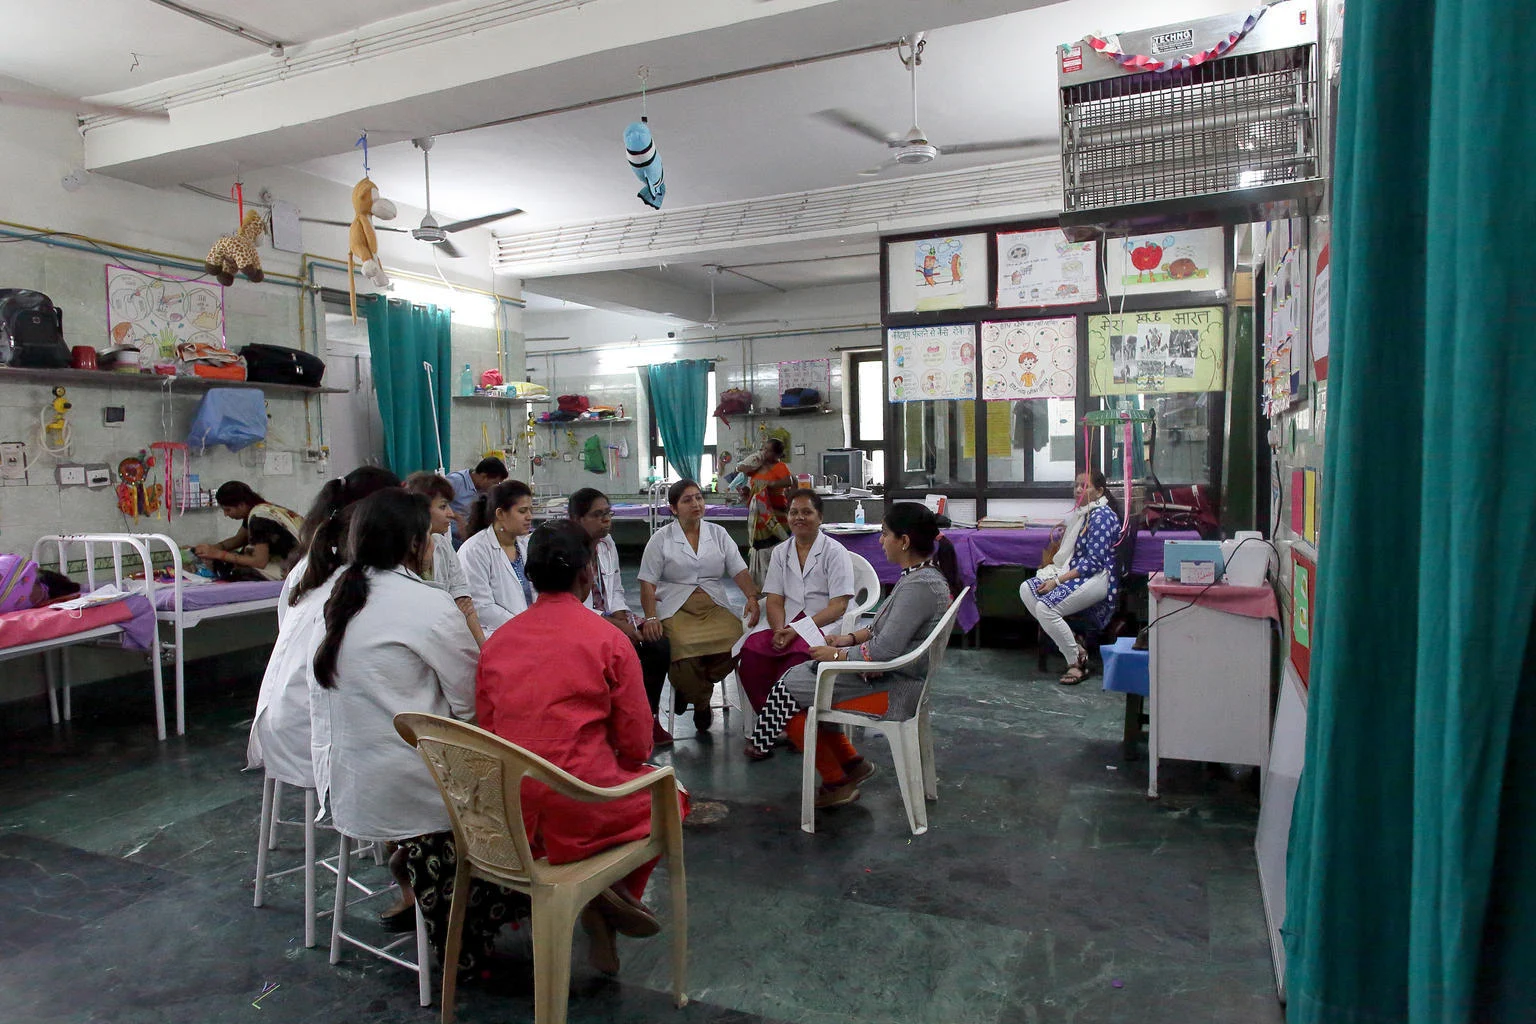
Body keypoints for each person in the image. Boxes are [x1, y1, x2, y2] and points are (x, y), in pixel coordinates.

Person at [306, 488, 524, 975]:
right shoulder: (427, 606)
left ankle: (417, 877)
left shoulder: (336, 597)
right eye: (429, 536)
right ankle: (477, 916)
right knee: (521, 783)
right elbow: (472, 704)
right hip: (414, 799)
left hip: (351, 789)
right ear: (414, 543)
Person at [477, 520, 685, 975]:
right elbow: (636, 745)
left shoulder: (497, 644)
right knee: (672, 796)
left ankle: (605, 901)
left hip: (511, 814)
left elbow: (489, 733)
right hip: (581, 804)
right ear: (589, 574)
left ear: (529, 575)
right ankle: (610, 896)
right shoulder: (609, 640)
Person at [246, 466, 406, 925]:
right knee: (422, 759)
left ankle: (394, 852)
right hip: (318, 739)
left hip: (277, 724)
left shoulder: (305, 567)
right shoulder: (366, 582)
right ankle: (415, 883)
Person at [744, 502, 956, 809]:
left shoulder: (919, 587)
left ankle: (836, 782)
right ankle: (850, 761)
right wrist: (847, 638)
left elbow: (883, 650)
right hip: (897, 677)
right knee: (797, 682)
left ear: (905, 541)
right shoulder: (918, 577)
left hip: (895, 690)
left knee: (791, 688)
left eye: (885, 534)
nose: (881, 541)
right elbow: (881, 627)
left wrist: (836, 655)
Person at [638, 479, 761, 731]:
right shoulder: (661, 539)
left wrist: (751, 596)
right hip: (676, 607)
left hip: (713, 606)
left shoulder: (718, 534)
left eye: (698, 498)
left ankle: (691, 692)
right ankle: (702, 703)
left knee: (738, 642)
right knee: (680, 649)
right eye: (687, 500)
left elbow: (738, 569)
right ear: (673, 508)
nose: (696, 504)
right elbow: (647, 583)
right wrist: (651, 617)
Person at [570, 487, 673, 745]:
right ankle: (617, 721)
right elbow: (573, 605)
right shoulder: (568, 549)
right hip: (579, 621)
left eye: (608, 513)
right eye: (598, 514)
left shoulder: (606, 544)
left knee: (657, 642)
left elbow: (615, 587)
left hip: (609, 614)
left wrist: (623, 617)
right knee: (623, 646)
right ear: (577, 519)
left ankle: (647, 718)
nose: (607, 519)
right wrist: (618, 627)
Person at [736, 489, 855, 711]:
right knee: (752, 653)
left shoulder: (835, 552)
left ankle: (796, 724)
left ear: (820, 518)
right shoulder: (781, 552)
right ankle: (769, 720)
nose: (799, 517)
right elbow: (774, 599)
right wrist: (779, 629)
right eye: (793, 512)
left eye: (807, 512)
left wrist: (797, 630)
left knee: (801, 658)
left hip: (822, 619)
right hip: (786, 618)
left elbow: (839, 605)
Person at [1019, 469, 1123, 685]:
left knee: (1046, 608)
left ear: (1100, 491)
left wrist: (1057, 581)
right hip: (1076, 571)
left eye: (1084, 486)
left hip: (1098, 578)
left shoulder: (1101, 516)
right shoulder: (1084, 514)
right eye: (1076, 485)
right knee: (1027, 589)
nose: (1077, 490)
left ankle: (1076, 662)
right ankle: (1075, 645)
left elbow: (1094, 563)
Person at [404, 471, 486, 646]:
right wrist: (453, 610)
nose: (451, 514)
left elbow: (465, 603)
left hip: (450, 638)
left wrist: (484, 652)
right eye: (443, 507)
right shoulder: (400, 553)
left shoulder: (442, 544)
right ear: (420, 510)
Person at [456, 479, 535, 637]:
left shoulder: (526, 545)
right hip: (496, 636)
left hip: (531, 631)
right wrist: (524, 627)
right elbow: (481, 606)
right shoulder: (474, 550)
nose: (529, 517)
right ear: (500, 514)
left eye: (530, 510)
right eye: (522, 511)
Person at [192, 481, 302, 581]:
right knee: (236, 556)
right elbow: (238, 539)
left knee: (235, 570)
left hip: (295, 567)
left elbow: (260, 562)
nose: (226, 514)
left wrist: (218, 554)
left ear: (241, 505)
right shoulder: (261, 510)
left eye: (228, 510)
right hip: (302, 561)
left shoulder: (259, 518)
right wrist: (209, 549)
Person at [739, 437, 794, 586]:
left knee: (776, 549)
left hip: (776, 515)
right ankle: (761, 586)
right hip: (759, 516)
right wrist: (746, 493)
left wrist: (769, 484)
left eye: (768, 450)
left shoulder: (779, 467)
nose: (764, 452)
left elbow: (789, 481)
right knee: (761, 550)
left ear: (777, 454)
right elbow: (741, 468)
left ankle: (779, 585)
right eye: (763, 449)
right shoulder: (757, 467)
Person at [445, 456, 508, 545]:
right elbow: (434, 504)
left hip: (469, 535)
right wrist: (457, 517)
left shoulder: (483, 491)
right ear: (483, 477)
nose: (495, 486)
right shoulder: (455, 481)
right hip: (450, 536)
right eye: (494, 482)